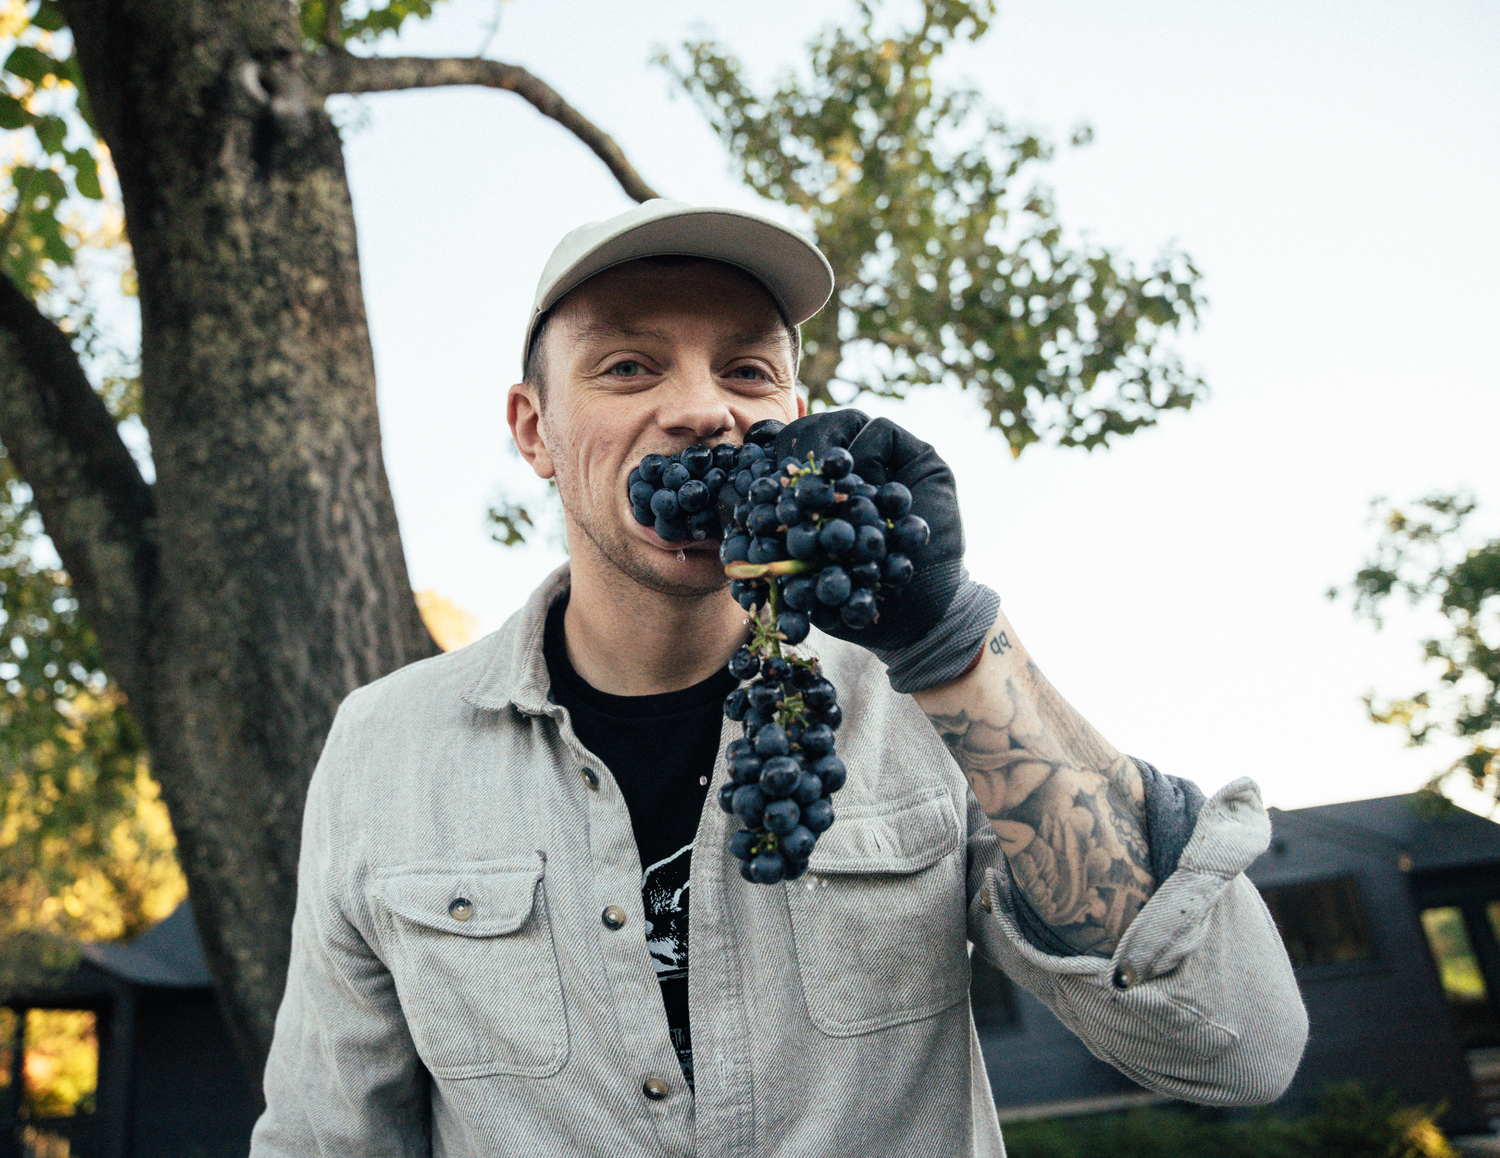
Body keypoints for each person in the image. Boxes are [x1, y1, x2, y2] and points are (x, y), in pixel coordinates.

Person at [250, 200, 1307, 1157]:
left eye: (748, 373)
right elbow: (324, 1138)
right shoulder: (384, 746)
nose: (704, 410)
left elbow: (1235, 1050)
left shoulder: (931, 704)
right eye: (629, 367)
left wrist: (949, 641)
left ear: (796, 418)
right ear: (535, 430)